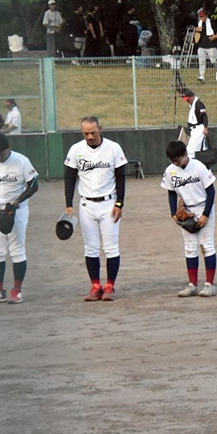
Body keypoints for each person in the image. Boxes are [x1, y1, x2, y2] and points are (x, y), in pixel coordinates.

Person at [64, 116, 128, 302]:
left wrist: (119, 203)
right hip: (86, 205)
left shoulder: (113, 148)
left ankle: (109, 286)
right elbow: (70, 177)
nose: (89, 136)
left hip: (109, 204)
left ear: (100, 128)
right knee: (91, 248)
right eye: (85, 133)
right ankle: (95, 286)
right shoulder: (76, 149)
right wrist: (68, 203)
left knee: (110, 247)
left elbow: (121, 177)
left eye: (93, 132)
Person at [0, 133, 39, 304]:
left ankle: (16, 290)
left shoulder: (21, 161)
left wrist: (17, 201)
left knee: (17, 249)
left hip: (16, 211)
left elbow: (33, 185)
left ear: (8, 149)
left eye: (0, 153)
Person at [162, 140, 217, 298]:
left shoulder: (199, 167)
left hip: (202, 207)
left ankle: (209, 285)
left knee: (206, 246)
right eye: (172, 160)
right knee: (190, 247)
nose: (175, 163)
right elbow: (171, 192)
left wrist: (206, 214)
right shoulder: (170, 171)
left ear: (185, 154)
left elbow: (211, 192)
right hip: (186, 211)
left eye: (178, 159)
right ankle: (192, 285)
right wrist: (173, 213)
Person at [179, 89, 209, 158]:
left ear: (192, 97)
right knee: (201, 151)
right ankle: (206, 167)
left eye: (188, 99)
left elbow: (204, 115)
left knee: (190, 151)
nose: (187, 101)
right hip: (194, 130)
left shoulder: (198, 103)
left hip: (198, 129)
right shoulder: (193, 104)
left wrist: (205, 127)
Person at [194, 8, 217, 82]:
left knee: (213, 60)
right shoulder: (199, 24)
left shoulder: (211, 23)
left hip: (211, 45)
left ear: (206, 16)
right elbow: (197, 35)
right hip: (202, 45)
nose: (201, 18)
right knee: (201, 61)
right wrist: (196, 31)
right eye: (200, 16)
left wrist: (215, 36)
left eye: (202, 16)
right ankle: (201, 76)